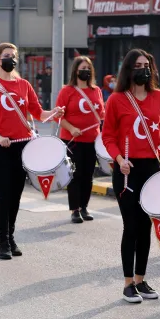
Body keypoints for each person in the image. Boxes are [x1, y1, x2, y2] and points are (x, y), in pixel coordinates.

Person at [0, 43, 63, 260]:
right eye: (6, 56)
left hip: (23, 146)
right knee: (3, 194)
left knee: (15, 195)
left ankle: (11, 236)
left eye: (13, 56)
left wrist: (55, 112)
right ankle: (3, 241)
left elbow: (39, 114)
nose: (11, 59)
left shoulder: (24, 85)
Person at [102, 49, 160, 304]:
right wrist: (119, 160)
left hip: (151, 168)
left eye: (147, 65)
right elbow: (108, 136)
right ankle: (127, 284)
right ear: (128, 70)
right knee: (131, 226)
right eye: (138, 65)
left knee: (146, 227)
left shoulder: (158, 97)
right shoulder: (116, 100)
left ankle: (141, 279)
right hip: (127, 170)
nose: (143, 69)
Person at [56, 56, 105, 224]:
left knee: (88, 175)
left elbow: (102, 114)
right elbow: (59, 117)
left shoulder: (96, 90)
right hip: (72, 141)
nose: (86, 71)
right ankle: (75, 209)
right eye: (82, 68)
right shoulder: (66, 91)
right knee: (75, 176)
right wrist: (71, 128)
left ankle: (84, 206)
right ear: (75, 71)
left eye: (88, 68)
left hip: (92, 141)